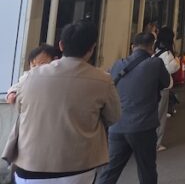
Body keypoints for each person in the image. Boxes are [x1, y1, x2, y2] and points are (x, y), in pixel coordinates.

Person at [2, 21, 121, 184]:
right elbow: (114, 117)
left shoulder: (30, 76)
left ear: (61, 45)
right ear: (92, 49)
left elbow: (21, 108)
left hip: (29, 166)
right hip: (78, 166)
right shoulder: (103, 80)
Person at [97, 32, 172, 184]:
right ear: (152, 48)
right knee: (146, 170)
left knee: (110, 171)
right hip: (143, 127)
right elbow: (166, 83)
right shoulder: (156, 64)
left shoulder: (117, 64)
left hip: (117, 126)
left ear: (132, 47)